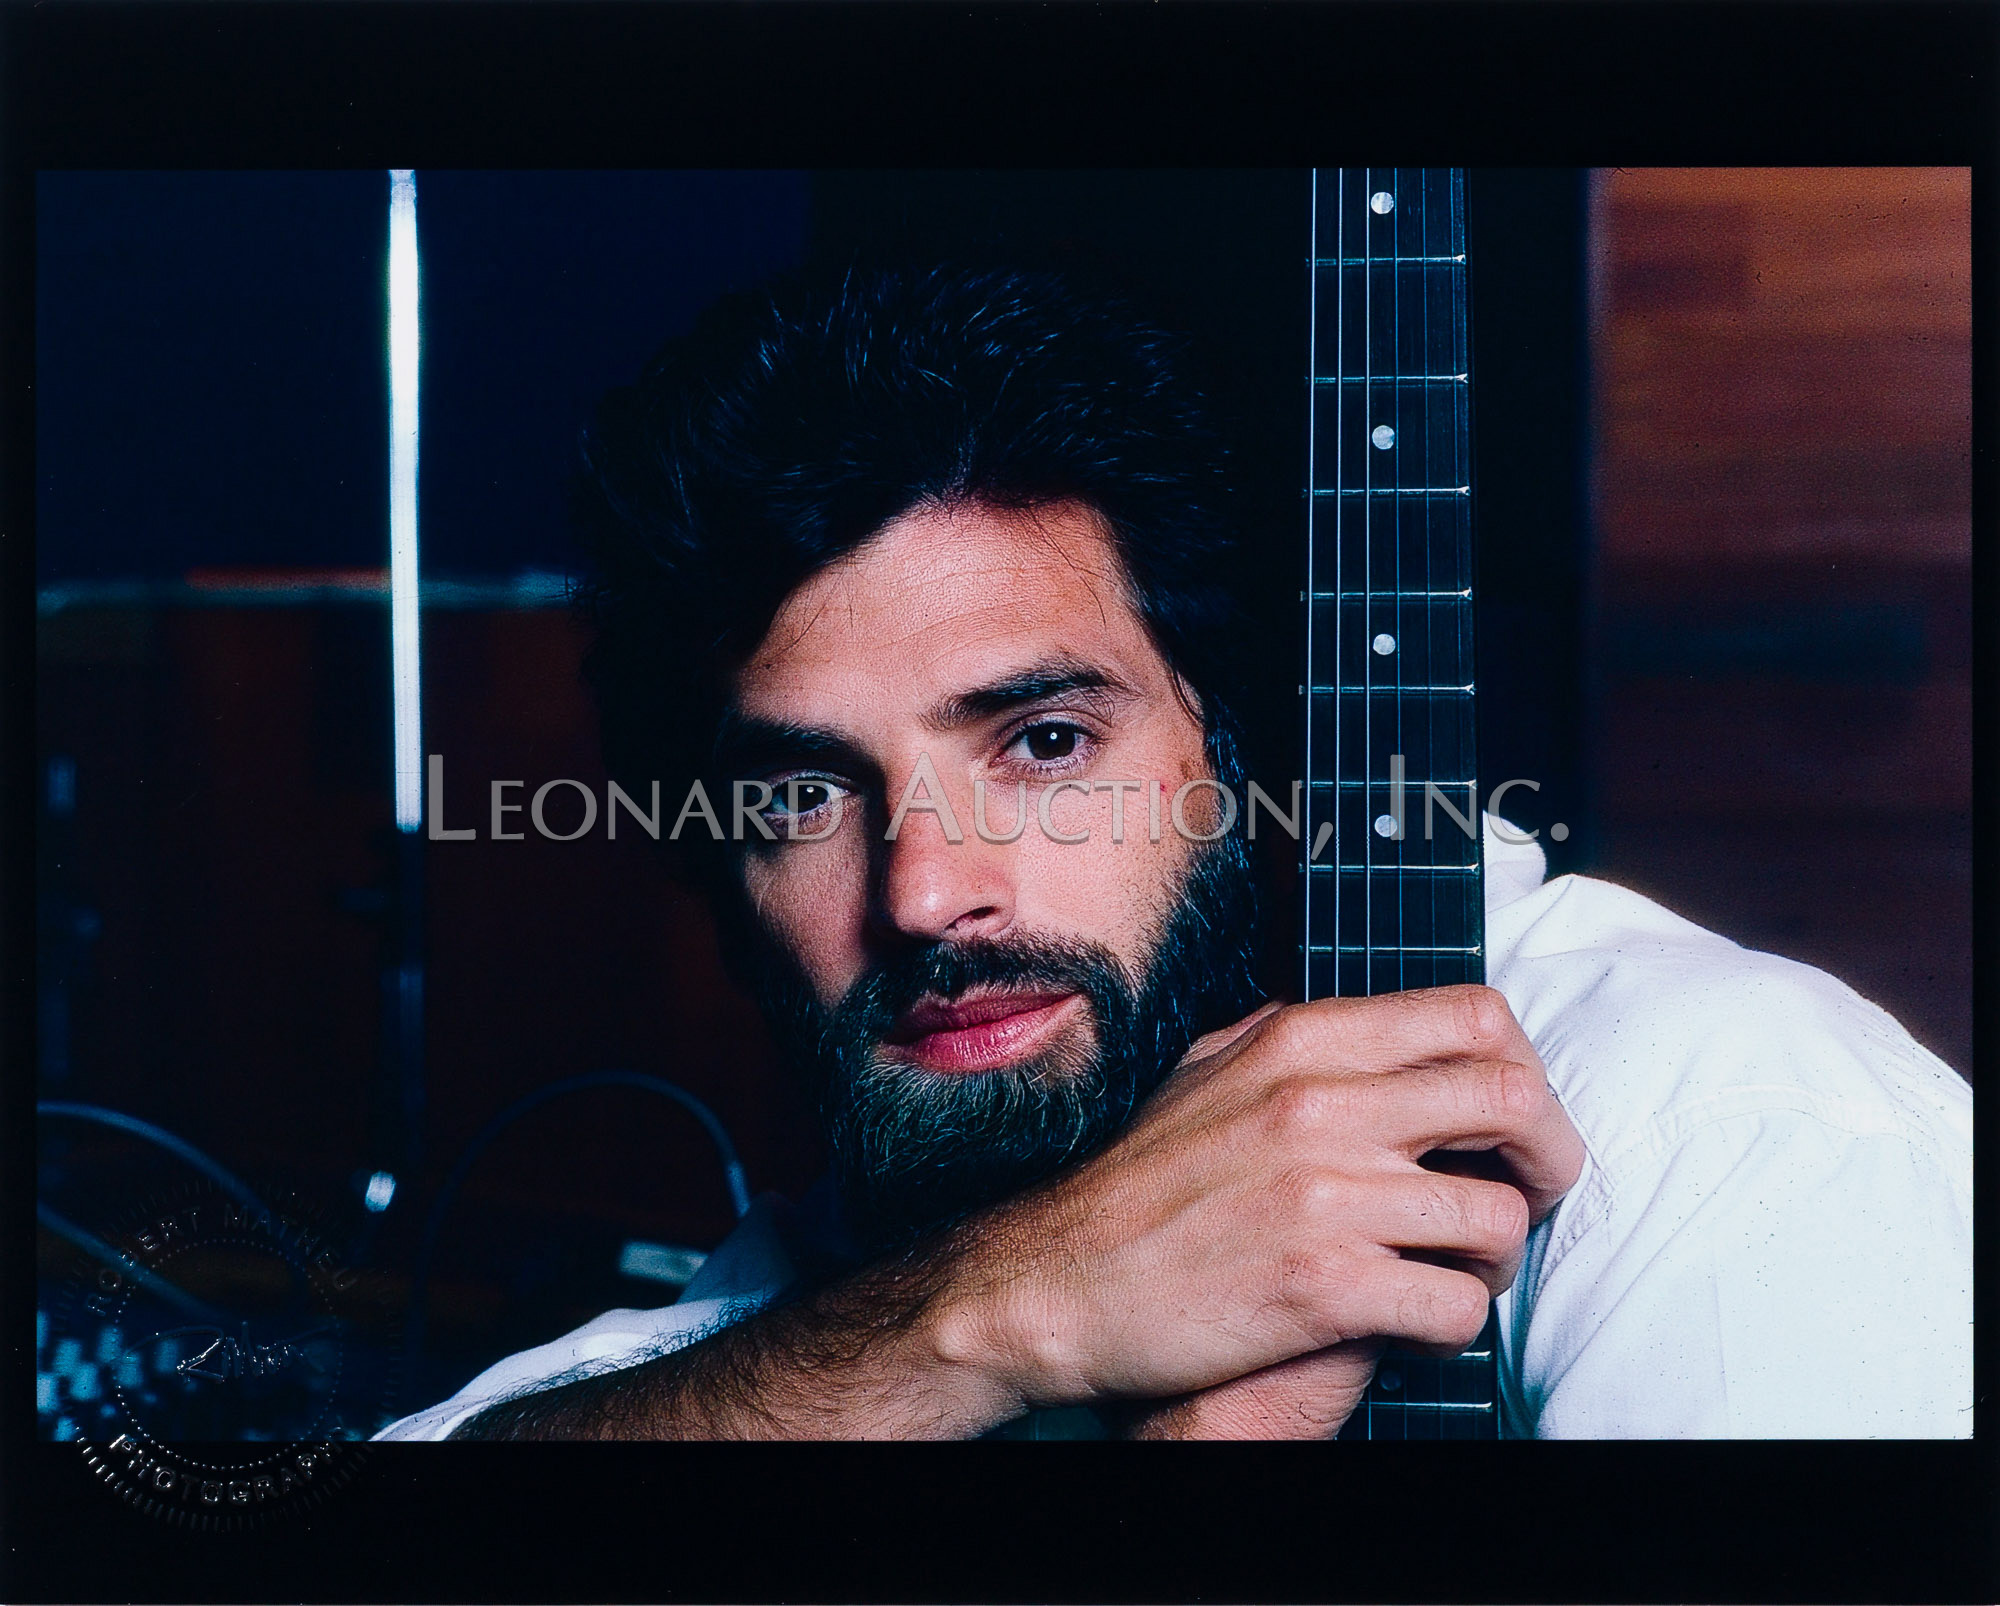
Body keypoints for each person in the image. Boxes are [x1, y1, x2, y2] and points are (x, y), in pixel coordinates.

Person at [377, 265, 1970, 1441]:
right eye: (803, 795)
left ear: (1241, 752)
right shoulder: (905, 1234)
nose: (926, 893)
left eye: (1044, 743)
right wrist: (992, 1314)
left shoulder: (1715, 1125)